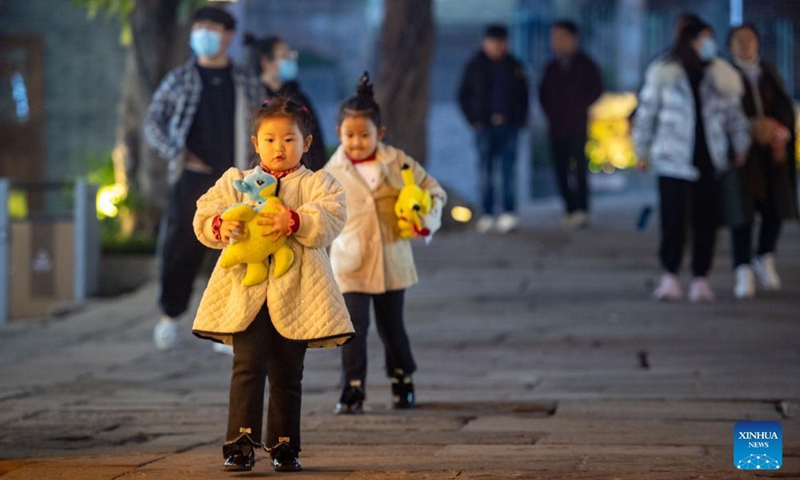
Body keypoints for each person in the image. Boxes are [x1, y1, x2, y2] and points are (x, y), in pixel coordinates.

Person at [191, 97, 354, 472]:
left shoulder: (317, 183)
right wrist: (221, 225)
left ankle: (284, 443)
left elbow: (331, 216)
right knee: (247, 364)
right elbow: (205, 211)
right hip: (246, 294)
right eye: (269, 139)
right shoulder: (236, 182)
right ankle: (240, 441)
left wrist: (296, 221)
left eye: (288, 139)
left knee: (287, 370)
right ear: (256, 142)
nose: (278, 147)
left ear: (306, 143)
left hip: (299, 293)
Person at [325, 73, 446, 413]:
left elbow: (433, 191)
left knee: (392, 328)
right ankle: (352, 387)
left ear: (379, 133)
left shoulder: (398, 162)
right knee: (353, 328)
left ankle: (402, 378)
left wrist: (425, 218)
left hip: (392, 260)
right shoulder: (329, 172)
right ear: (338, 134)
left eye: (365, 135)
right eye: (349, 135)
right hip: (350, 263)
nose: (357, 142)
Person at [144, 7, 260, 351]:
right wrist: (176, 151)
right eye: (199, 28)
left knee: (234, 250)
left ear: (228, 35)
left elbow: (263, 121)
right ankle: (170, 317)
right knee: (181, 248)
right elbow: (153, 121)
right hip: (191, 178)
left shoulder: (245, 81)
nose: (203, 34)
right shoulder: (180, 79)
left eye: (211, 28)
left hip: (236, 179)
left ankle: (226, 324)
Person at [632, 21, 750, 303]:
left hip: (710, 159)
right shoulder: (664, 72)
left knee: (706, 221)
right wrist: (642, 149)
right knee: (673, 221)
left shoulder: (721, 75)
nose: (708, 44)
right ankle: (670, 276)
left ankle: (701, 278)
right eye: (703, 38)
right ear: (689, 40)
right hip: (672, 159)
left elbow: (734, 115)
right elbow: (646, 113)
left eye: (710, 38)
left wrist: (740, 145)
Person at [725, 24, 798, 299]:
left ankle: (765, 256)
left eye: (750, 39)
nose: (745, 44)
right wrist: (751, 128)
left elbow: (785, 109)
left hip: (771, 155)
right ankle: (742, 268)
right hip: (742, 157)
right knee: (741, 212)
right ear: (730, 45)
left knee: (774, 208)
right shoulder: (725, 75)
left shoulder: (768, 73)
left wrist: (778, 131)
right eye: (739, 40)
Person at [457, 24, 528, 234]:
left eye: (500, 43)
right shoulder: (475, 65)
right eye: (492, 43)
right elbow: (463, 95)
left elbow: (524, 95)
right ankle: (487, 213)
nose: (496, 47)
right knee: (485, 173)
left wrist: (519, 120)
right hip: (484, 127)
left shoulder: (514, 66)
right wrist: (473, 119)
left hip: (509, 126)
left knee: (508, 172)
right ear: (485, 43)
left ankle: (508, 213)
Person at [539, 20, 603, 229]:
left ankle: (582, 209)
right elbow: (543, 95)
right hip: (556, 126)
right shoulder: (551, 67)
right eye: (554, 38)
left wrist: (580, 107)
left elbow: (596, 88)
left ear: (572, 38)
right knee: (560, 169)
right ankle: (569, 208)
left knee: (579, 168)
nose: (556, 42)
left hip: (577, 125)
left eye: (560, 37)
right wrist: (551, 113)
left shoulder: (585, 65)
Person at [245, 34, 327, 172]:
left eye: (291, 55)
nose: (291, 60)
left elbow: (316, 143)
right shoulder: (249, 98)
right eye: (285, 56)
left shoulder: (298, 98)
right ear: (266, 62)